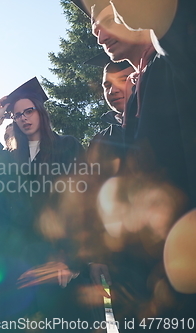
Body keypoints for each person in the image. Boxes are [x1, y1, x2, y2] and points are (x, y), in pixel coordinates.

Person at [73, 0, 196, 327]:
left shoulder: (177, 63)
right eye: (93, 24)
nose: (97, 32)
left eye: (108, 16)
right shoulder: (133, 105)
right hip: (143, 276)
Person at [0, 77, 89, 329]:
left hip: (56, 255)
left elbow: (81, 205)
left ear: (41, 111)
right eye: (17, 115)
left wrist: (71, 259)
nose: (24, 118)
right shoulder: (11, 158)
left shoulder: (67, 146)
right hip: (19, 259)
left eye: (29, 111)